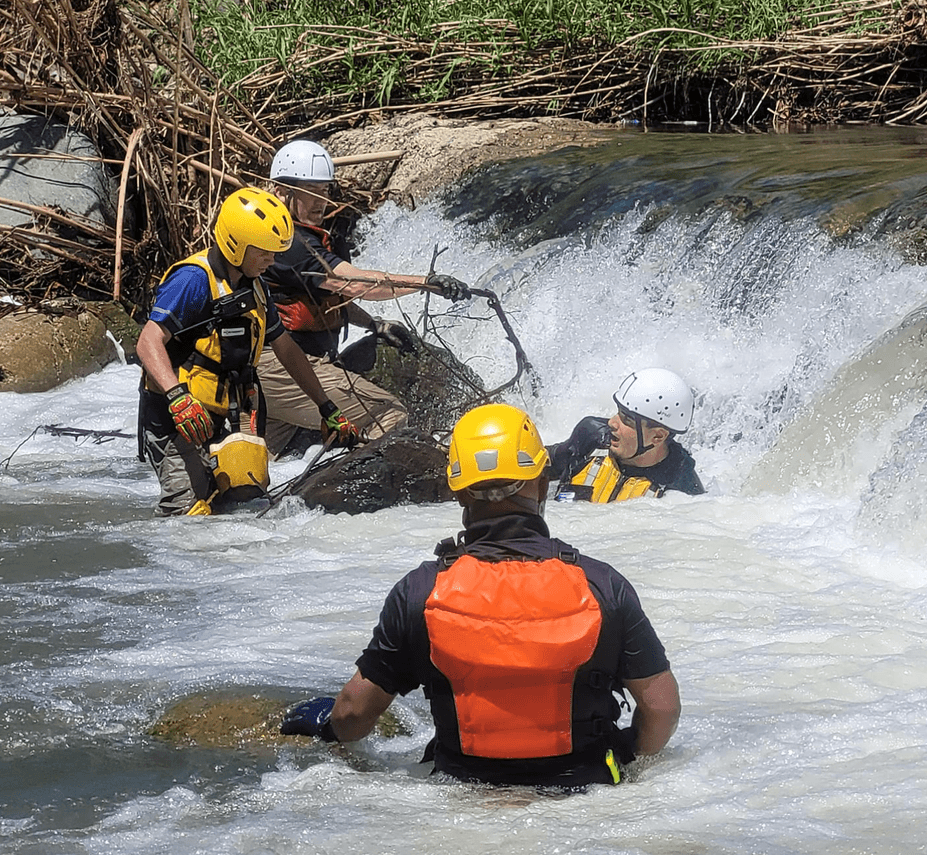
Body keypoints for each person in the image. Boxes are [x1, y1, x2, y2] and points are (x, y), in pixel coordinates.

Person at [280, 403, 681, 788]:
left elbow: (354, 714)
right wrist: (629, 757)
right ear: (542, 484)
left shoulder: (420, 592)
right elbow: (662, 708)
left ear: (459, 493)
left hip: (461, 795)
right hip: (585, 798)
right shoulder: (602, 586)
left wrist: (327, 726)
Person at [135, 187, 359, 517]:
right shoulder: (193, 281)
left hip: (227, 414)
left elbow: (287, 350)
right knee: (188, 515)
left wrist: (327, 407)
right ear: (236, 245)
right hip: (175, 416)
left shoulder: (256, 284)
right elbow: (147, 342)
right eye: (265, 252)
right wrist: (177, 397)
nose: (273, 260)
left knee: (246, 508)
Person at [257, 139, 470, 456]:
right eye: (309, 190)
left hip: (283, 369)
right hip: (282, 366)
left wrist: (374, 324)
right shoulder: (287, 241)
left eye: (325, 190)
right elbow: (354, 284)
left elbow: (326, 299)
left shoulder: (300, 235)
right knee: (388, 414)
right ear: (281, 191)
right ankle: (364, 500)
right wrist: (426, 283)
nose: (320, 200)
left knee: (273, 464)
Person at [546, 368, 705, 502]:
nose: (612, 423)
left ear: (658, 436)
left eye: (627, 420)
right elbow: (537, 465)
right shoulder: (592, 437)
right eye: (618, 413)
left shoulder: (681, 491)